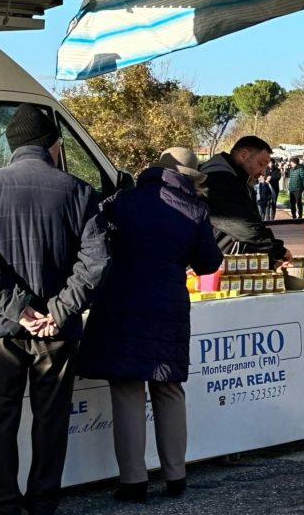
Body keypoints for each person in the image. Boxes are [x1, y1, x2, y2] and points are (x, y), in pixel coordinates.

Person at [0, 105, 110, 515]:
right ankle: (43, 503)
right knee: (51, 420)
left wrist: (18, 309)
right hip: (55, 331)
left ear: (11, 146)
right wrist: (58, 311)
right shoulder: (80, 191)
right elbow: (96, 262)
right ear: (54, 146)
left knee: (0, 420)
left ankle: (3, 504)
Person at [78, 148, 222, 503]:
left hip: (121, 301)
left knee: (127, 388)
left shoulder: (121, 202)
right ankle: (176, 475)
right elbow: (208, 263)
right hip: (168, 306)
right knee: (168, 387)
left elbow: (95, 244)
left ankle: (133, 481)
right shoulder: (194, 210)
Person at [202, 136, 291, 268]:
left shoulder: (236, 180)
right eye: (261, 164)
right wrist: (276, 251)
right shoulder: (220, 180)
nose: (263, 172)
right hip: (217, 263)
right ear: (243, 155)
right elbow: (242, 226)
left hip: (227, 260)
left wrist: (271, 261)